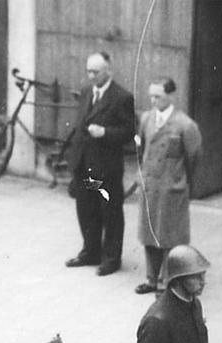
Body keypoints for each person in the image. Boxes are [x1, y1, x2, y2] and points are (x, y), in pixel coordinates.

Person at [64, 52, 136, 277]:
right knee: (86, 209)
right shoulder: (86, 91)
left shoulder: (122, 97)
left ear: (109, 71)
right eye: (89, 71)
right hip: (84, 164)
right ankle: (90, 252)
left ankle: (111, 258)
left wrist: (105, 132)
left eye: (96, 72)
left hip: (106, 167)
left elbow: (129, 132)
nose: (92, 75)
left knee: (110, 212)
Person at [135, 78, 203, 295]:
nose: (154, 101)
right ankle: (151, 278)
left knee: (169, 237)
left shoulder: (185, 124)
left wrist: (179, 180)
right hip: (151, 186)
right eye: (151, 96)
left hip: (171, 189)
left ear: (171, 96)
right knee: (149, 233)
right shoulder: (146, 119)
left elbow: (194, 157)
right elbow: (143, 149)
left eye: (159, 96)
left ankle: (168, 280)